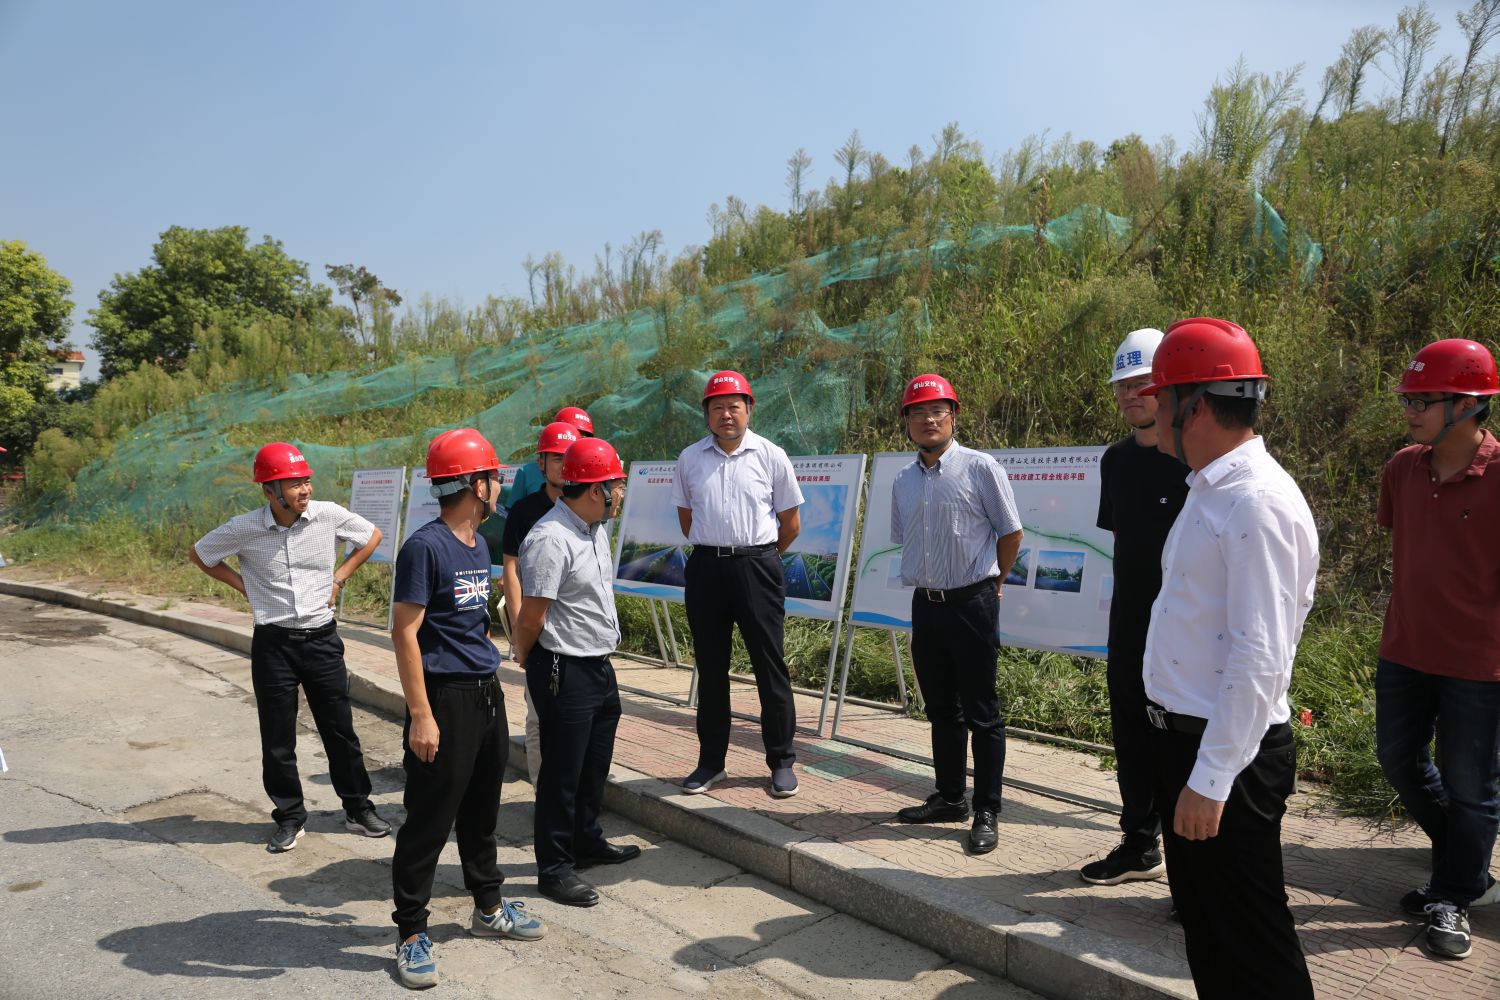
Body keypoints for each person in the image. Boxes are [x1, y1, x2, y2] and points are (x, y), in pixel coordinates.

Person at [1138, 317, 1316, 998]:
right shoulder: (1210, 488)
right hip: (1186, 743)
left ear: (1196, 407)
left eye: (1162, 400)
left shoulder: (1255, 502)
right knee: (1209, 932)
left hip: (1227, 757)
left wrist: (1211, 780)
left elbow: (1260, 656)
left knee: (1252, 942)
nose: (1154, 415)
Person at [390, 428, 546, 990]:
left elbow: (470, 621)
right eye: (494, 477)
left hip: (485, 693)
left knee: (482, 813)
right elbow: (404, 633)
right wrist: (422, 715)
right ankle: (411, 932)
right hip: (445, 699)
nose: (500, 485)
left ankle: (488, 908)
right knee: (429, 821)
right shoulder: (425, 547)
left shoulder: (478, 544)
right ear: (476, 485)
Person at [189, 442, 390, 852]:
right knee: (278, 738)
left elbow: (372, 536)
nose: (305, 489)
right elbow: (201, 554)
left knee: (340, 730)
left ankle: (358, 808)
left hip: (322, 641)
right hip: (273, 646)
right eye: (294, 483)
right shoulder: (245, 527)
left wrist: (340, 577)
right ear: (270, 491)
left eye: (306, 480)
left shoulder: (327, 514)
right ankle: (290, 816)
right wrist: (245, 587)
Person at [1375, 337, 1500, 962]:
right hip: (1404, 649)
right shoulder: (1402, 468)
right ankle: (1465, 864)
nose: (1410, 410)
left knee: (1472, 787)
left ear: (1469, 405)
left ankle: (1453, 895)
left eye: (1423, 401)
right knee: (1398, 759)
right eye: (1407, 399)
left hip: (1479, 664)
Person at [890, 374, 1023, 855]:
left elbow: (1011, 533)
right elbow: (904, 537)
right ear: (906, 421)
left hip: (972, 603)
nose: (928, 419)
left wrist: (995, 583)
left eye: (937, 410)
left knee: (982, 713)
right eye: (918, 412)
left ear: (953, 415)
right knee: (942, 710)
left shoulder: (980, 468)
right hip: (926, 606)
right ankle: (950, 797)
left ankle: (987, 808)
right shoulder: (903, 481)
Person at [1080, 329, 1188, 887]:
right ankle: (1140, 845)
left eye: (1141, 383)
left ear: (1167, 386)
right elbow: (1125, 542)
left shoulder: (1194, 460)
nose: (1129, 395)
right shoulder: (1116, 460)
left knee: (1180, 743)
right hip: (1129, 624)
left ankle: (1193, 870)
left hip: (1186, 630)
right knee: (1131, 736)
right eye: (1122, 386)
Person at [514, 437, 641, 908]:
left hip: (599, 667)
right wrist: (527, 658)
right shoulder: (551, 539)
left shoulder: (593, 527)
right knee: (561, 775)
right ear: (595, 491)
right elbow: (532, 616)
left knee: (592, 766)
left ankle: (586, 840)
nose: (621, 493)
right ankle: (554, 868)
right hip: (562, 669)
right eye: (617, 485)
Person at [672, 370, 804, 798]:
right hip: (706, 569)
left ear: (749, 409)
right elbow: (687, 519)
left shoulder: (771, 455)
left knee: (770, 666)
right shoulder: (690, 458)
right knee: (711, 669)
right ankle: (711, 762)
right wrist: (719, 550)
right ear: (706, 414)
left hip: (757, 567)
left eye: (733, 406)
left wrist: (758, 557)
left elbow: (791, 523)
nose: (725, 414)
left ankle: (781, 761)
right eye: (717, 407)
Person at [502, 421, 582, 786]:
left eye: (569, 457)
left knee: (578, 716)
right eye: (556, 458)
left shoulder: (588, 507)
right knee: (538, 716)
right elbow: (511, 570)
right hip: (538, 627)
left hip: (577, 630)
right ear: (541, 463)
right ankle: (543, 791)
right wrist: (520, 633)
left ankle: (573, 794)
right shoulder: (523, 511)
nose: (563, 465)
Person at [506, 406, 594, 508]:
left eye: (581, 438)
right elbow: (512, 512)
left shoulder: (593, 475)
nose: (572, 439)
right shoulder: (526, 473)